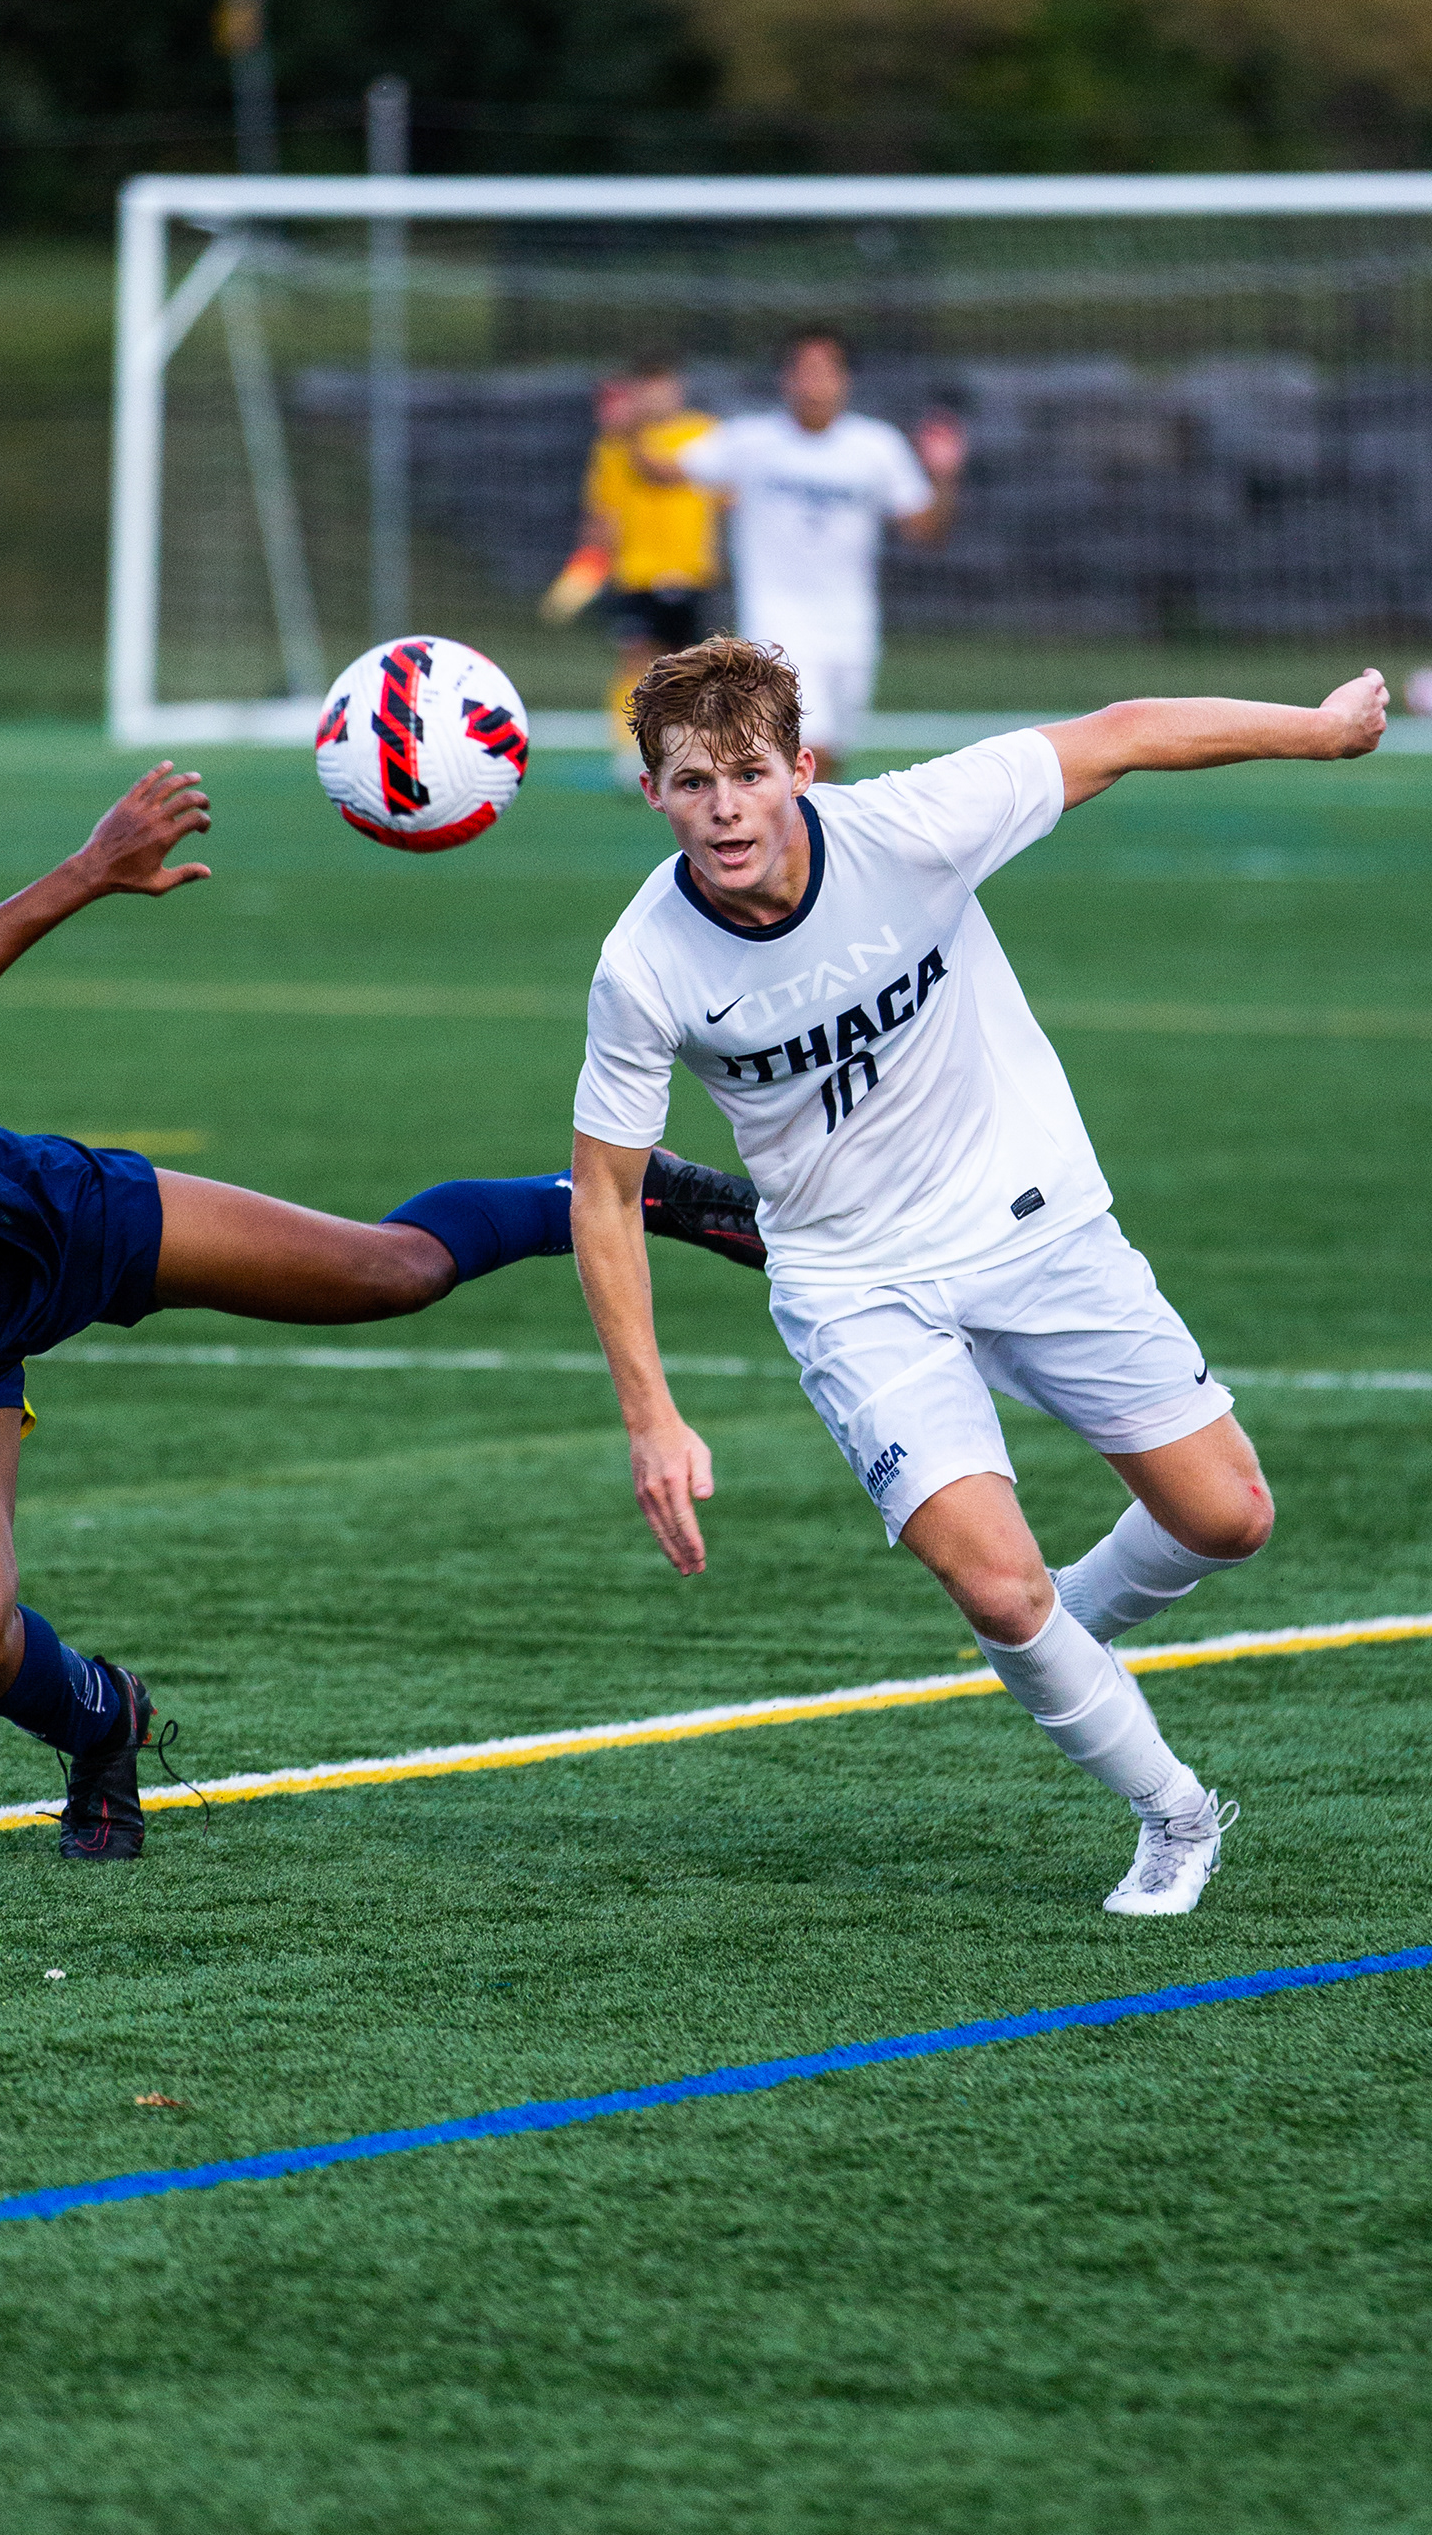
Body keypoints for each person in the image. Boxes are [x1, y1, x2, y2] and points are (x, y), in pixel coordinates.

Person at [0, 764, 765, 1908]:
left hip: (42, 1224)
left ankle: (629, 1191)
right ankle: (106, 1722)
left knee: (392, 1274)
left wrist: (90, 871)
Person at [569, 637, 1389, 1917]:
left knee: (1228, 1518)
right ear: (652, 794)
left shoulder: (912, 828)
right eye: (692, 783)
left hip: (1032, 1223)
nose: (724, 809)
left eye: (748, 773)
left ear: (803, 768)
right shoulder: (645, 964)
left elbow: (1121, 731)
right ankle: (1173, 1813)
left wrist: (1322, 730)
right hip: (853, 1285)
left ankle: (1061, 1634)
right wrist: (651, 1418)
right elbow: (605, 1194)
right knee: (996, 1588)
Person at [638, 329, 964, 781]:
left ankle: (808, 829)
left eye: (825, 372)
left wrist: (944, 474)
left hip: (850, 623)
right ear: (786, 379)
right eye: (804, 372)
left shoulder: (876, 446)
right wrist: (636, 421)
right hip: (777, 619)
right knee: (806, 747)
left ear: (845, 380)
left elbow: (925, 530)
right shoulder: (750, 440)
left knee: (828, 759)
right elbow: (659, 471)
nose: (814, 384)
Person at [543, 361, 723, 790]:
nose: (656, 398)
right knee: (637, 661)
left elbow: (670, 475)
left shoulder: (700, 433)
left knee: (693, 668)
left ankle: (692, 749)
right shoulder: (612, 446)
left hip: (691, 572)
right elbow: (602, 513)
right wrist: (583, 573)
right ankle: (633, 751)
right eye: (647, 389)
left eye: (663, 387)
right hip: (636, 573)